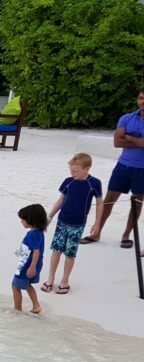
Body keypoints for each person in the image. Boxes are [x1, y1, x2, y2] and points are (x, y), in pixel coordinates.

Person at [79, 89, 144, 248]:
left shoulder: (127, 123)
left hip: (142, 169)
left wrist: (127, 136)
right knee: (108, 201)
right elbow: (117, 142)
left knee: (136, 203)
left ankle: (126, 235)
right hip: (122, 166)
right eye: (141, 98)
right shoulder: (126, 118)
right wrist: (136, 140)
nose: (143, 101)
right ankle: (96, 232)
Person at [42, 153, 103, 295]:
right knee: (56, 249)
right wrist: (49, 217)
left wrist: (97, 223)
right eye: (71, 170)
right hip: (62, 221)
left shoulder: (94, 183)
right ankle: (51, 278)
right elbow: (61, 200)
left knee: (70, 253)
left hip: (78, 224)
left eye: (75, 171)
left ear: (87, 169)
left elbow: (100, 204)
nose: (72, 173)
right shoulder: (68, 181)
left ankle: (65, 280)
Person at [13, 204, 48, 314]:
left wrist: (31, 267)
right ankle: (36, 306)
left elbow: (36, 251)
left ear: (30, 220)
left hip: (27, 266)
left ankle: (17, 309)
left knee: (15, 286)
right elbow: (32, 250)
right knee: (28, 285)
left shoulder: (32, 234)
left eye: (23, 219)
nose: (21, 221)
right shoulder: (39, 232)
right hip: (34, 263)